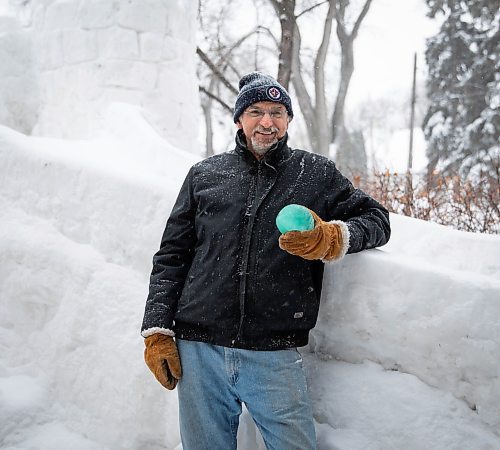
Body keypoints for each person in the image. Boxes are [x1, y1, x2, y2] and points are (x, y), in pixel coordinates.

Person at [141, 72, 391, 450]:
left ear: (289, 120)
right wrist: (157, 328)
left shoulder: (315, 173)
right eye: (255, 111)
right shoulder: (204, 175)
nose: (267, 122)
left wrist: (333, 237)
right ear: (239, 119)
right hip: (199, 348)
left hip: (272, 352)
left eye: (277, 112)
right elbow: (172, 256)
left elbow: (377, 220)